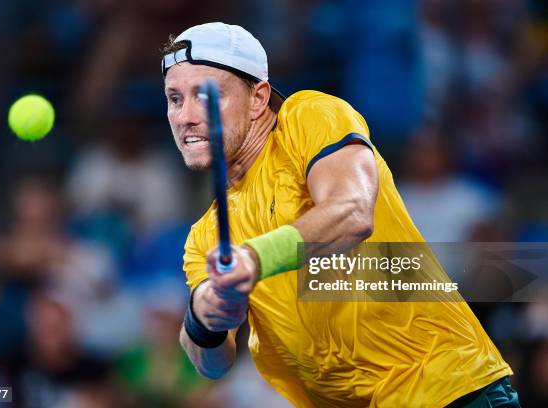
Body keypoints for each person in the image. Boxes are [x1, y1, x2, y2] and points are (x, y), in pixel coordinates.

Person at [161, 22, 518, 407]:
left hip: (448, 390)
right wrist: (206, 316)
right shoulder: (204, 237)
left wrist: (256, 257)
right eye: (175, 99)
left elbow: (352, 212)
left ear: (258, 98)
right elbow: (212, 364)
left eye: (205, 96)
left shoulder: (310, 116)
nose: (186, 116)